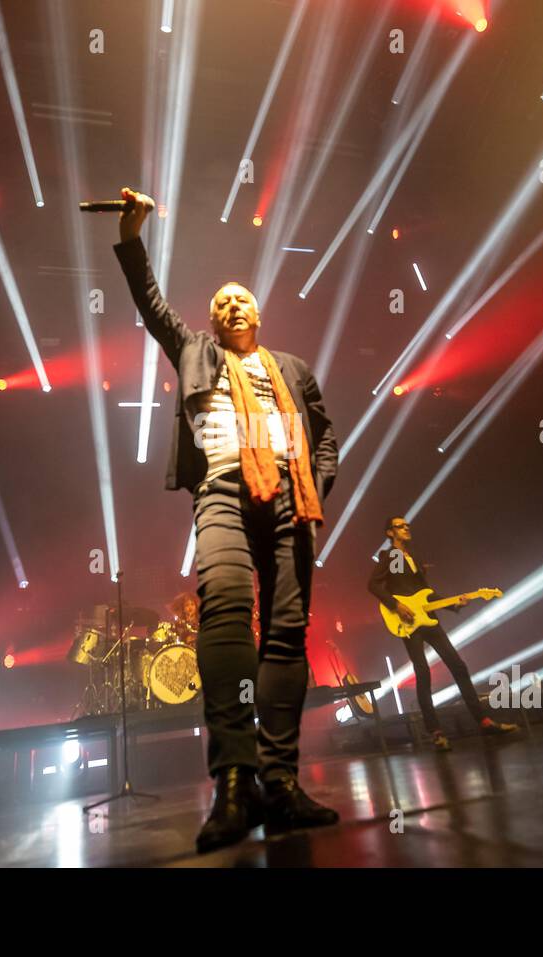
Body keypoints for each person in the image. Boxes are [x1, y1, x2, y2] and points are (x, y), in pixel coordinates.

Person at [113, 187, 339, 853]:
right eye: (220, 302)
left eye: (242, 297)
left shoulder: (293, 370)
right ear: (210, 321)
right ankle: (234, 779)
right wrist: (131, 233)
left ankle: (281, 781)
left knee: (288, 632)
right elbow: (151, 302)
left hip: (292, 499)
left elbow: (324, 437)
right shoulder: (194, 352)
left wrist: (315, 491)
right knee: (227, 609)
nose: (232, 304)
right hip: (221, 489)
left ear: (260, 312)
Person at [369, 517, 519, 749]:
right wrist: (396, 605)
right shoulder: (392, 557)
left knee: (458, 666)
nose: (406, 527)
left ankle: (484, 721)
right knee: (423, 672)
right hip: (408, 621)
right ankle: (435, 731)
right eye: (400, 526)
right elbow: (375, 585)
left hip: (428, 618)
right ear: (390, 533)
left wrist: (455, 604)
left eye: (407, 524)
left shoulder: (414, 557)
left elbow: (425, 593)